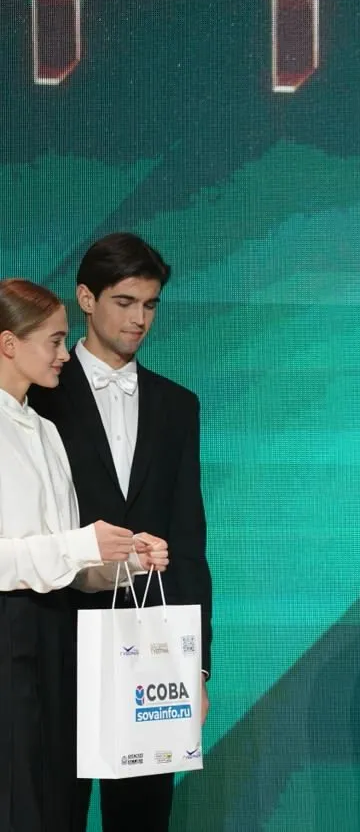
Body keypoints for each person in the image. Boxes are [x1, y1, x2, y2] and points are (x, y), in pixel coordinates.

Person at [28, 234, 211, 832]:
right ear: (86, 298)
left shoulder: (177, 405)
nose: (139, 319)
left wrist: (196, 665)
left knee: (143, 816)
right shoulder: (38, 396)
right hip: (56, 638)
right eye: (125, 302)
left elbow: (188, 538)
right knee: (52, 811)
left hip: (149, 652)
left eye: (150, 305)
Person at [0, 278, 168, 832]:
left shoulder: (45, 432)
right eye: (53, 341)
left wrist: (127, 560)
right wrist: (81, 543)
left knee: (58, 802)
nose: (64, 354)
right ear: (9, 344)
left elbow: (69, 565)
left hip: (56, 634)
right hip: (9, 637)